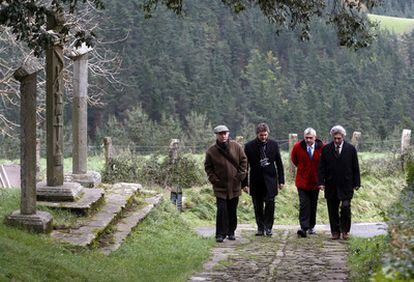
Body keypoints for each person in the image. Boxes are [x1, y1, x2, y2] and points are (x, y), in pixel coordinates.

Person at [205, 125, 248, 243]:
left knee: (232, 209)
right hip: (220, 186)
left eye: (225, 133)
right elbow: (208, 167)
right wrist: (213, 179)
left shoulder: (236, 146)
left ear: (228, 134)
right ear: (217, 135)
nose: (223, 136)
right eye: (221, 134)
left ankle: (231, 232)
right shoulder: (211, 151)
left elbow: (244, 160)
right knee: (221, 210)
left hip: (234, 185)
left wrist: (240, 175)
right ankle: (220, 234)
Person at [318, 125, 360, 240]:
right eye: (335, 138)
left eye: (339, 138)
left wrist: (357, 183)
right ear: (332, 137)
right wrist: (321, 182)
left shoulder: (350, 149)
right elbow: (321, 168)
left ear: (343, 137)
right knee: (332, 209)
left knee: (346, 207)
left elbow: (355, 167)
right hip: (331, 184)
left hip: (346, 184)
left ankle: (345, 230)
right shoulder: (326, 149)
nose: (337, 141)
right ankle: (335, 231)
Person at [242, 123, 285, 237]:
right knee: (258, 205)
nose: (264, 137)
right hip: (256, 180)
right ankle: (260, 227)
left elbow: (279, 163)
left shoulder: (274, 145)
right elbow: (246, 166)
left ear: (268, 134)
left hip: (270, 180)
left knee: (270, 204)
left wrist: (281, 180)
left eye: (265, 135)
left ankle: (268, 227)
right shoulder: (249, 146)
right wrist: (245, 183)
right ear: (257, 134)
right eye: (261, 135)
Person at [291, 127, 324, 238]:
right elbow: (294, 160)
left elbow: (324, 163)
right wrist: (303, 169)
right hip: (302, 181)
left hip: (315, 182)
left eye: (311, 138)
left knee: (313, 205)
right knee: (304, 204)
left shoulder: (322, 148)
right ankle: (303, 227)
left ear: (315, 137)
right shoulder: (297, 147)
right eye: (306, 138)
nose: (308, 140)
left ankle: (311, 226)